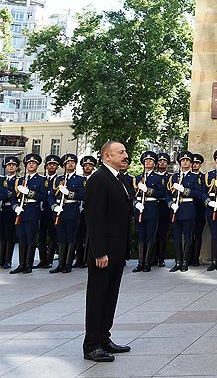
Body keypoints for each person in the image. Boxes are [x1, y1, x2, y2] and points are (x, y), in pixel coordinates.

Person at [82, 140, 133, 362]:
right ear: (106, 156)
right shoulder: (98, 180)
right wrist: (99, 252)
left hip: (117, 250)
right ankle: (91, 345)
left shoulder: (119, 179)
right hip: (103, 252)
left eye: (125, 152)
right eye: (120, 152)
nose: (125, 155)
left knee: (110, 296)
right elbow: (94, 220)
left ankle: (104, 338)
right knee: (97, 297)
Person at [11, 153, 48, 274]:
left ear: (37, 166)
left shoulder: (42, 180)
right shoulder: (19, 180)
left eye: (34, 163)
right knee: (22, 238)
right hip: (20, 212)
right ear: (26, 165)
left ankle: (28, 264)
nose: (31, 165)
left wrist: (29, 192)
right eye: (29, 163)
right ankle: (21, 264)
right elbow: (13, 197)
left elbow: (43, 197)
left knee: (30, 238)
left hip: (32, 211)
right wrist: (15, 207)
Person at [167, 151, 204, 272]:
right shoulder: (173, 177)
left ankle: (185, 262)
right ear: (180, 162)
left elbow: (199, 193)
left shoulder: (195, 177)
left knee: (188, 236)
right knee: (177, 237)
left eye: (187, 160)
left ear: (191, 163)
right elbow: (167, 193)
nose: (185, 162)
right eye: (183, 160)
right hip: (175, 209)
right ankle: (177, 261)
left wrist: (184, 190)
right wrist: (171, 204)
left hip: (188, 208)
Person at [49, 154, 86, 274]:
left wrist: (69, 193)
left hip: (71, 210)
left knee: (71, 238)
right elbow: (50, 195)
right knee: (61, 238)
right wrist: (54, 206)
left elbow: (83, 195)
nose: (70, 164)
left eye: (73, 162)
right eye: (68, 162)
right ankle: (60, 263)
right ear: (63, 165)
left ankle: (68, 264)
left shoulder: (80, 180)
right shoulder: (58, 179)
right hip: (59, 211)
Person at [131, 151, 165, 273]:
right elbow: (131, 194)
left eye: (150, 160)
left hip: (151, 207)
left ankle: (147, 262)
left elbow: (162, 193)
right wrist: (136, 203)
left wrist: (149, 191)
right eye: (146, 161)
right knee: (141, 236)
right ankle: (140, 262)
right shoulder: (137, 178)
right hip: (140, 207)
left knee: (150, 235)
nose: (148, 162)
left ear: (154, 163)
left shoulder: (158, 178)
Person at [72, 155, 97, 268]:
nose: (87, 167)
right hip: (79, 210)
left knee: (89, 236)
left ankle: (87, 259)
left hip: (91, 210)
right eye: (85, 165)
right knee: (78, 235)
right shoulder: (80, 179)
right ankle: (79, 259)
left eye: (90, 165)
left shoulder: (96, 179)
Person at [37, 154, 62, 269]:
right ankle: (42, 259)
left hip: (53, 210)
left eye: (54, 164)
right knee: (41, 236)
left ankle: (50, 259)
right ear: (46, 166)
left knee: (53, 236)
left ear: (57, 167)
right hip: (41, 211)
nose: (51, 166)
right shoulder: (42, 179)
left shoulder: (60, 180)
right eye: (49, 164)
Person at [152, 152, 172, 267]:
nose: (162, 163)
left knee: (162, 233)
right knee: (153, 232)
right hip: (153, 205)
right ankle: (153, 257)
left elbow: (167, 191)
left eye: (164, 161)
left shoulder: (170, 177)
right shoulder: (152, 176)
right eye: (159, 161)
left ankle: (161, 258)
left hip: (165, 205)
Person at [1, 156, 20, 269]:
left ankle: (8, 260)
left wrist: (6, 193)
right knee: (1, 236)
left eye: (13, 165)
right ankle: (1, 259)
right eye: (9, 165)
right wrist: (9, 193)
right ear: (5, 167)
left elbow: (16, 195)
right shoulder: (1, 180)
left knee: (9, 236)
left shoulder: (19, 180)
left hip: (11, 210)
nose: (11, 166)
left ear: (16, 167)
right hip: (1, 209)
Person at [190, 153, 207, 266]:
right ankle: (188, 257)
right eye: (193, 163)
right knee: (188, 234)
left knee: (198, 233)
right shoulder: (184, 176)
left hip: (200, 207)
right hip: (188, 207)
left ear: (200, 165)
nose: (195, 165)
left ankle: (195, 258)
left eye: (197, 163)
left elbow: (204, 191)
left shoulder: (203, 177)